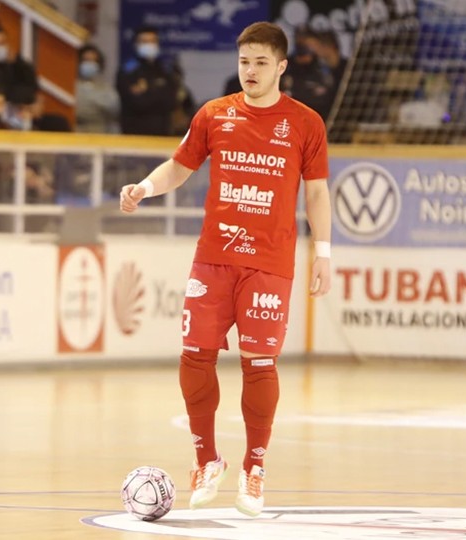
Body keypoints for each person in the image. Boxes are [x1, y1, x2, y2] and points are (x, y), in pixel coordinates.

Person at [120, 21, 331, 518]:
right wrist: (144, 188)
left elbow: (317, 191)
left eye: (260, 63)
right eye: (244, 62)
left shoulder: (305, 123)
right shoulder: (215, 114)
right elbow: (179, 166)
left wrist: (323, 252)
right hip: (213, 259)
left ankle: (254, 468)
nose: (250, 72)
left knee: (259, 365)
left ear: (281, 66)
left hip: (270, 264)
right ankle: (205, 460)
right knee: (195, 357)